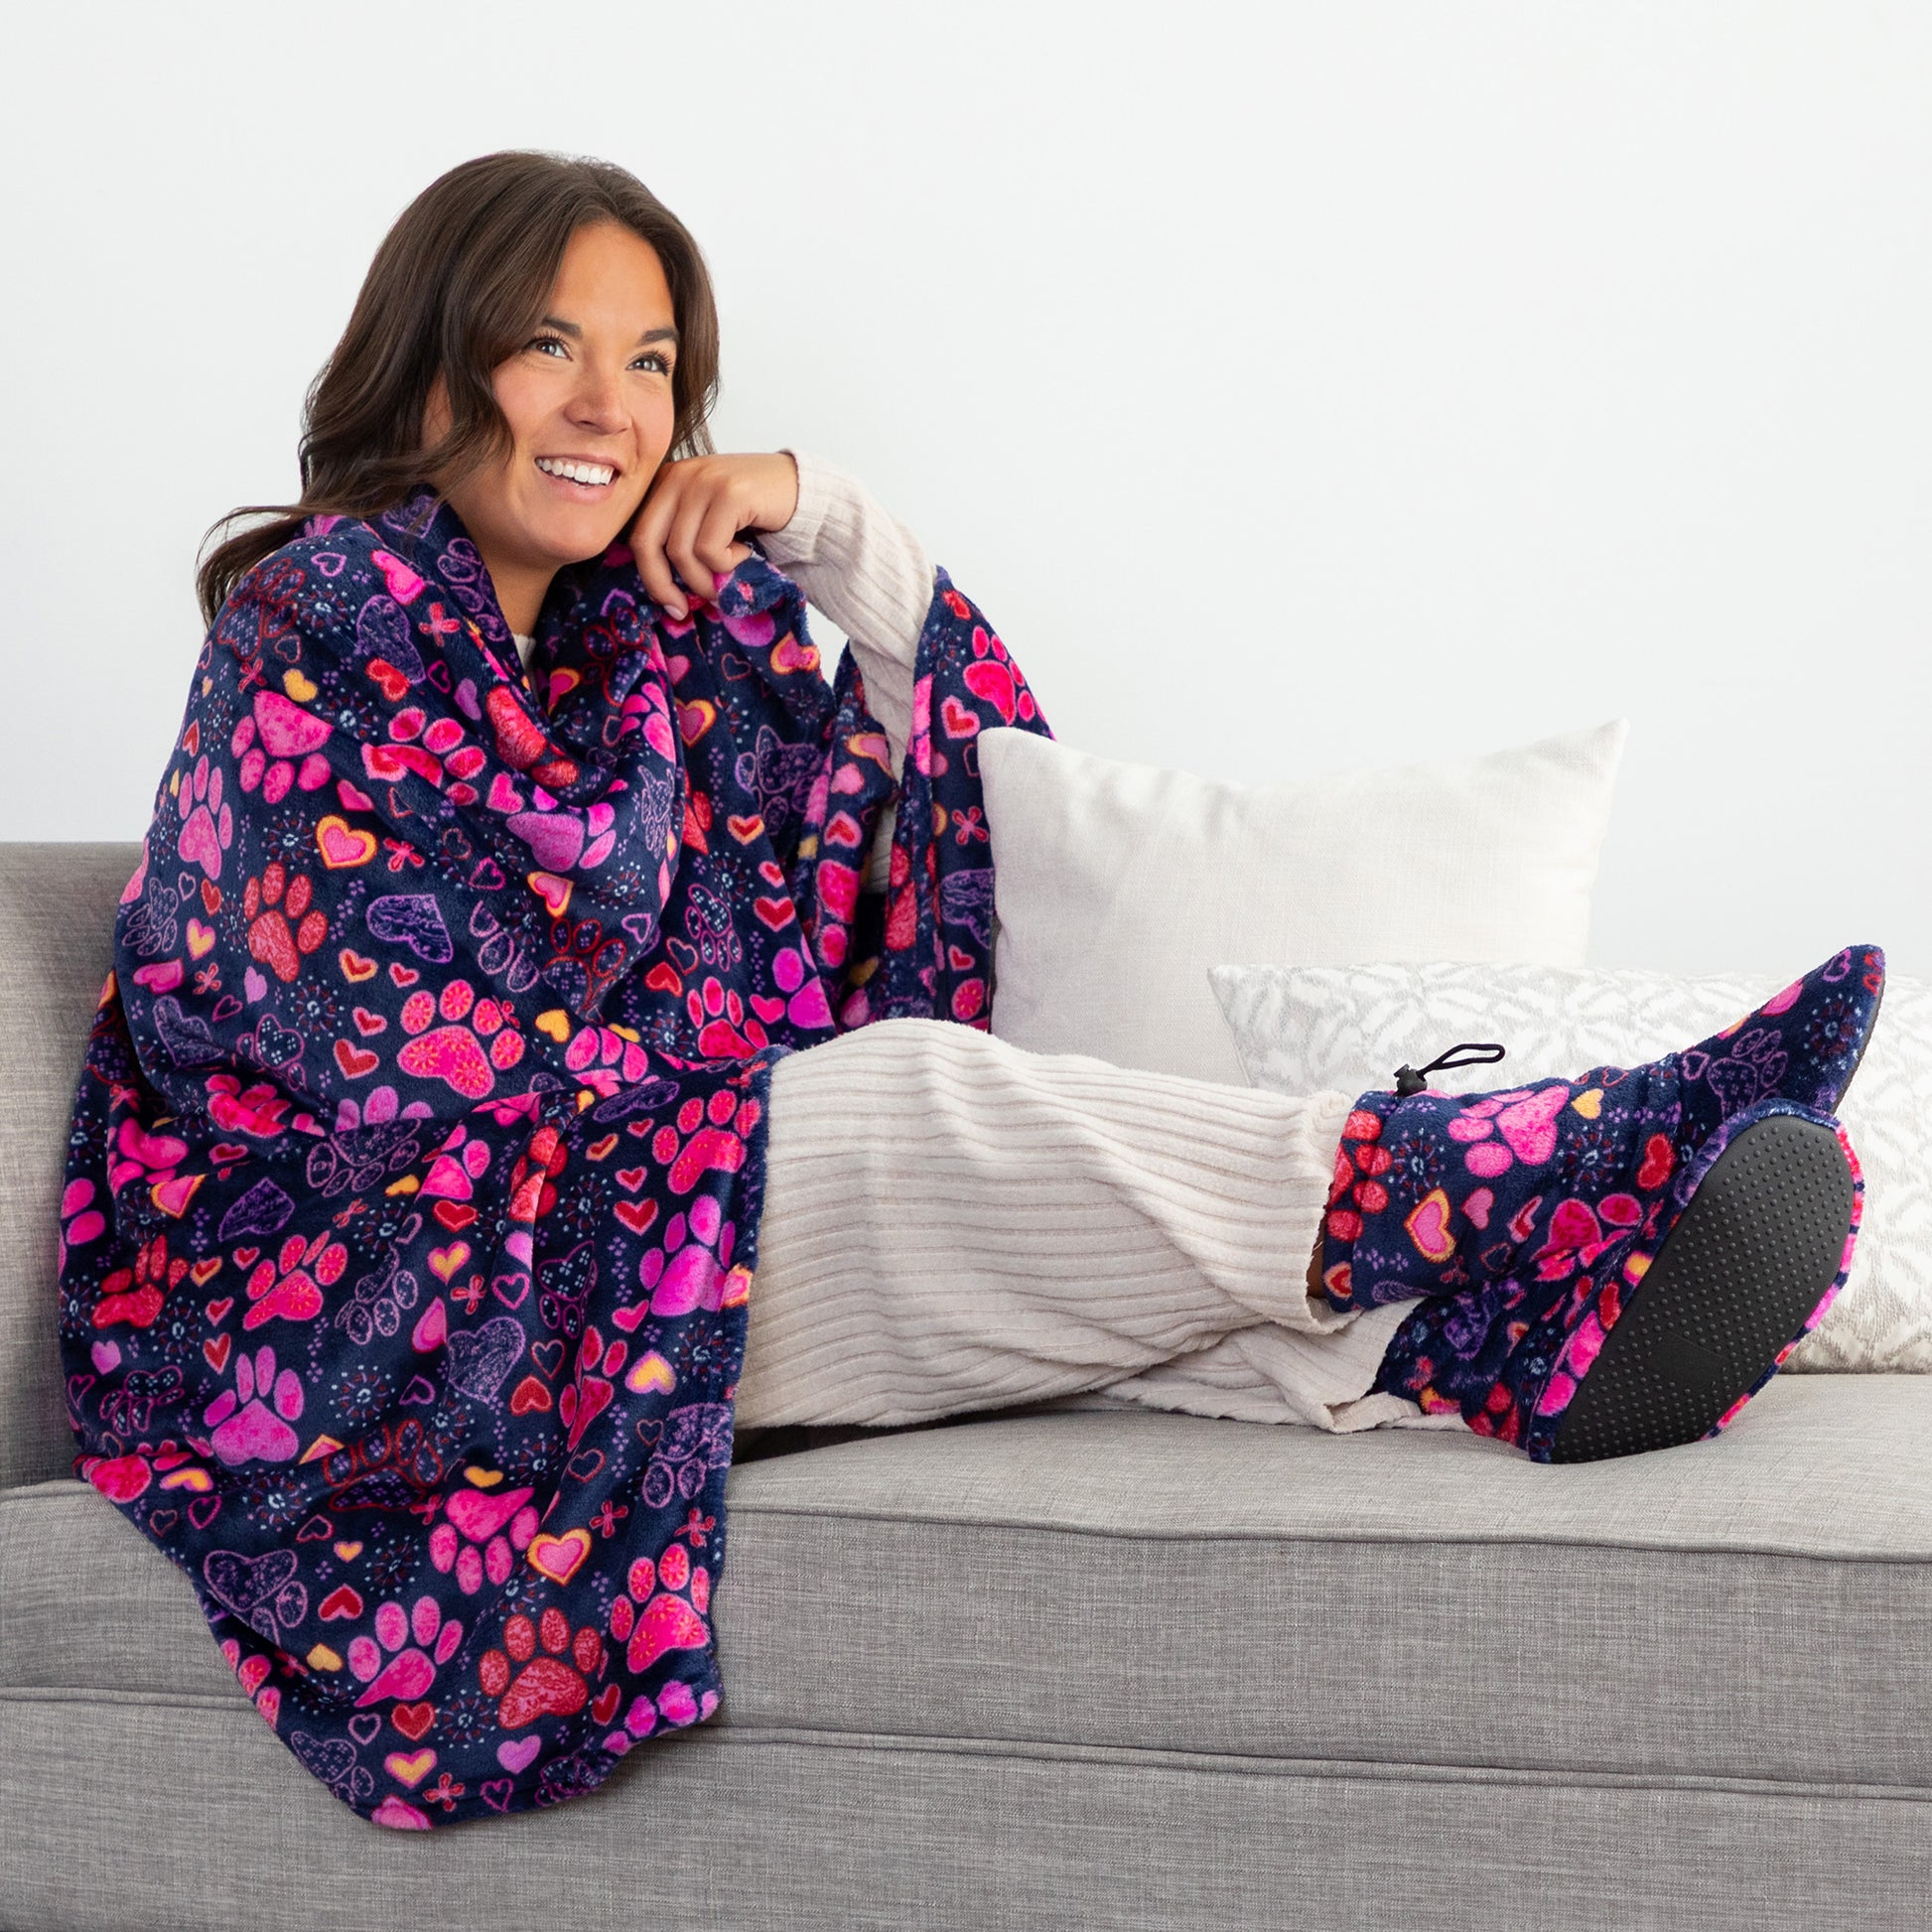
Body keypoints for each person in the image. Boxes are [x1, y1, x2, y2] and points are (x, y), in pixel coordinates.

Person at [56, 150, 1876, 1830]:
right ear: (434, 367)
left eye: (653, 359)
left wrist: (823, 514)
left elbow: (981, 788)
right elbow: (329, 1049)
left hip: (649, 1231)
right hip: (382, 1307)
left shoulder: (668, 641)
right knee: (906, 1096)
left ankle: (1507, 1337)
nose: (611, 405)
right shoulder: (314, 630)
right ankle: (1538, 1162)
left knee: (1092, 1264)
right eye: (549, 346)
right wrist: (677, 1120)